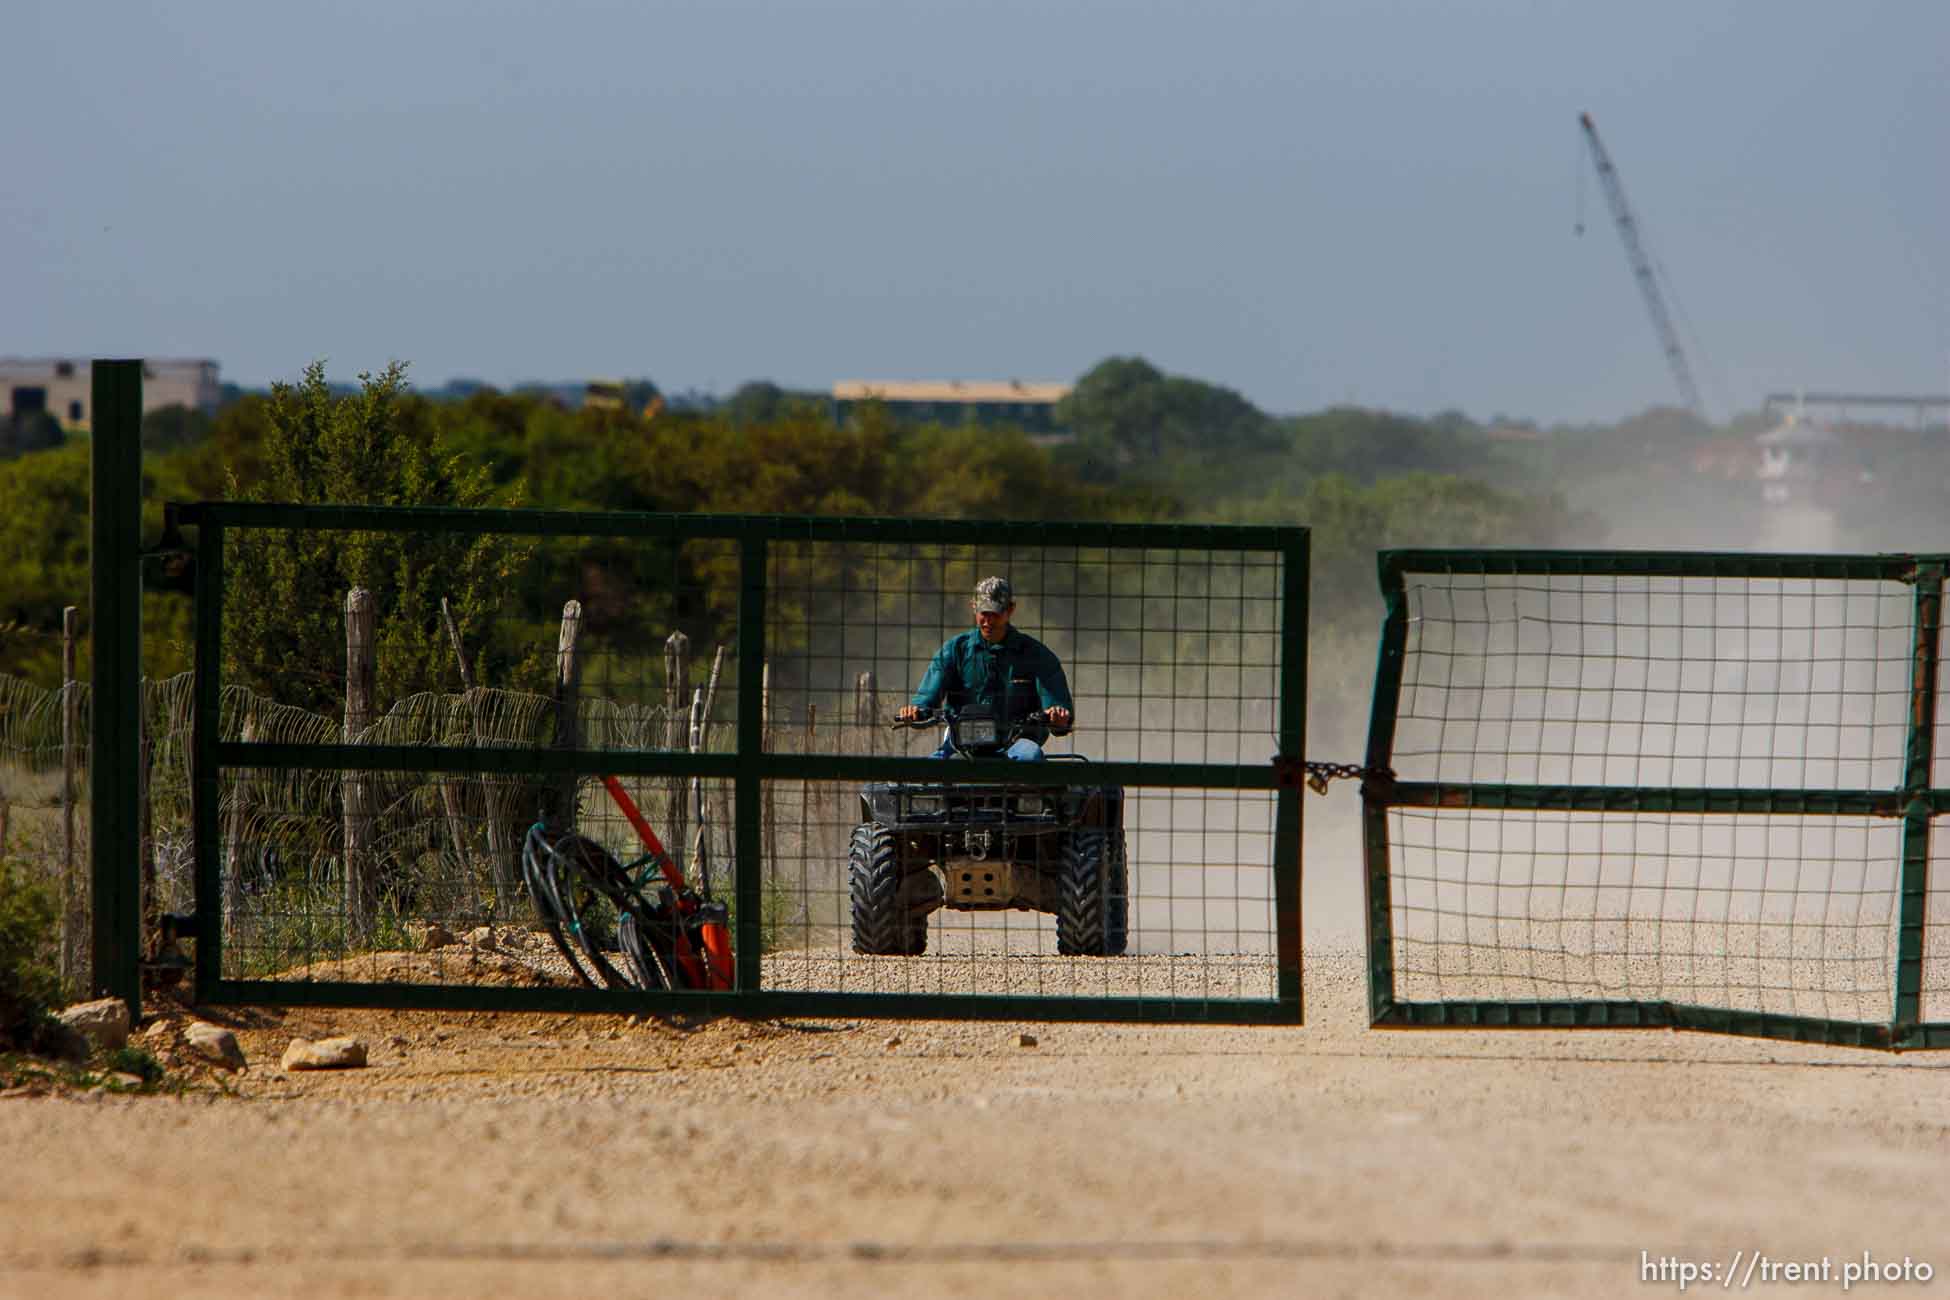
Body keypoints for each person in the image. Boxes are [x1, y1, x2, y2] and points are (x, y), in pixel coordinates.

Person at [898, 576, 1074, 760]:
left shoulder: (1037, 655)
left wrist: (1057, 717)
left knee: (1029, 757)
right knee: (931, 772)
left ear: (1010, 610)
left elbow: (1058, 710)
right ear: (973, 607)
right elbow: (927, 698)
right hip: (962, 742)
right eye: (984, 613)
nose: (988, 621)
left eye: (995, 613)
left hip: (1016, 743)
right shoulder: (955, 650)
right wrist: (916, 711)